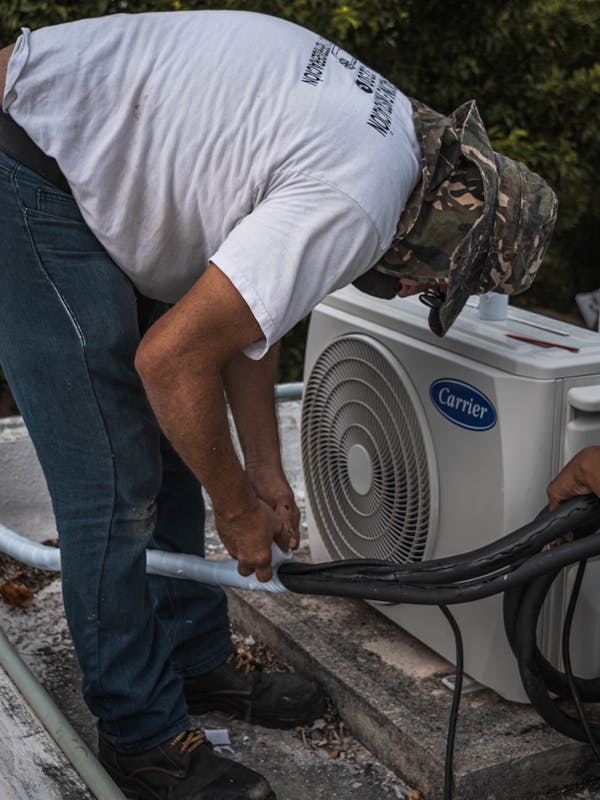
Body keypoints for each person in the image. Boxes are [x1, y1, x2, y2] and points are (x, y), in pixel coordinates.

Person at [0, 9, 557, 799]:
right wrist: (236, 509)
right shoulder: (361, 200)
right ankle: (141, 736)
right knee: (112, 477)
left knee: (173, 444)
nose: (412, 291)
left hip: (83, 143)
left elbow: (246, 323)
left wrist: (265, 471)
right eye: (436, 283)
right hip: (32, 153)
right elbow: (173, 361)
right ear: (446, 232)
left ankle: (195, 661)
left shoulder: (395, 140)